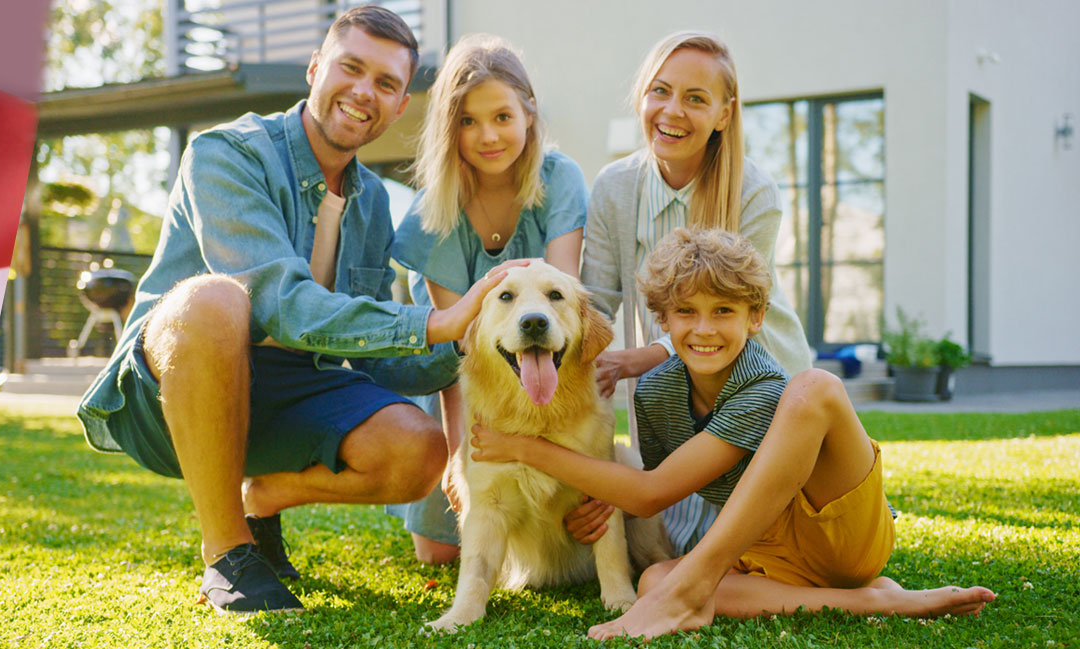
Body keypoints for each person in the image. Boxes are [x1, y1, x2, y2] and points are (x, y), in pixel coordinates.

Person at [74, 6, 528, 613]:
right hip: (168, 394)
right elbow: (280, 304)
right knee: (216, 300)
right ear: (316, 69)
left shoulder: (370, 208)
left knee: (417, 449)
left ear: (398, 107)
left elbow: (371, 354)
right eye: (351, 68)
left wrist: (467, 340)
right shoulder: (225, 153)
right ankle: (228, 552)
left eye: (387, 84)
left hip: (288, 394)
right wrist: (433, 320)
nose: (364, 91)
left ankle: (263, 497)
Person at [469, 228, 995, 639]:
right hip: (760, 550)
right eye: (686, 313)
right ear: (663, 322)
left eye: (724, 311)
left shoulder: (761, 384)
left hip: (837, 534)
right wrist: (603, 503)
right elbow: (657, 495)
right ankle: (872, 601)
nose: (704, 328)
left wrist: (520, 448)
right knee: (653, 580)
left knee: (813, 387)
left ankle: (698, 590)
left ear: (756, 317)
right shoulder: (654, 395)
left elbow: (648, 494)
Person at [572, 31, 816, 557]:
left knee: (755, 548)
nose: (672, 111)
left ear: (724, 115)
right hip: (673, 387)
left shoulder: (754, 190)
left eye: (696, 99)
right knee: (670, 552)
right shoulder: (614, 187)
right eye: (660, 91)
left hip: (754, 370)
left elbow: (732, 312)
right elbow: (594, 300)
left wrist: (638, 357)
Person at [382, 33, 586, 566]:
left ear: (529, 114)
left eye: (502, 116)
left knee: (565, 530)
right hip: (475, 390)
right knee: (438, 554)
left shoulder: (561, 180)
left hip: (550, 379)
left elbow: (564, 311)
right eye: (468, 121)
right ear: (450, 129)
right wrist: (458, 453)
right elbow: (459, 345)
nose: (488, 136)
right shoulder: (434, 212)